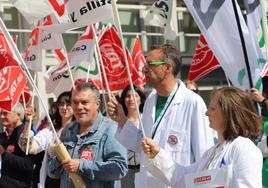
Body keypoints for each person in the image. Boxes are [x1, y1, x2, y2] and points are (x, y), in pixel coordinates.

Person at [108, 44, 214, 188]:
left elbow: (205, 158)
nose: (144, 69)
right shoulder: (151, 99)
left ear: (168, 67)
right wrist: (122, 120)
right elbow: (142, 143)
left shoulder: (193, 102)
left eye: (150, 64)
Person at [142, 87, 263, 188]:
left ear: (228, 113)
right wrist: (157, 154)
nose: (206, 113)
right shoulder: (211, 153)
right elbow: (183, 178)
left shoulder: (243, 148)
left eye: (213, 108)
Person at [48, 82, 128, 187]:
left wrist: (81, 165)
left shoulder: (111, 129)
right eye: (75, 102)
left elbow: (119, 168)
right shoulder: (67, 130)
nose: (79, 107)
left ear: (97, 104)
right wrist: (59, 159)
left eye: (84, 102)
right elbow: (52, 173)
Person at [19, 91, 75, 188]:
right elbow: (27, 147)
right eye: (61, 104)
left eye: (68, 104)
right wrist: (28, 121)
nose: (64, 107)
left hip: (73, 181)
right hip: (52, 182)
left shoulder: (82, 129)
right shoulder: (50, 132)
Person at [0, 103, 38, 188]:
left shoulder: (25, 134)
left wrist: (4, 153)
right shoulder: (6, 135)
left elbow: (28, 164)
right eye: (1, 113)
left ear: (18, 115)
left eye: (5, 113)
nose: (2, 116)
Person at [118, 85, 146, 188]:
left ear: (141, 99)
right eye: (128, 96)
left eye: (135, 96)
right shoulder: (118, 121)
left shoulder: (146, 120)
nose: (131, 99)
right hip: (124, 170)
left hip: (142, 168)